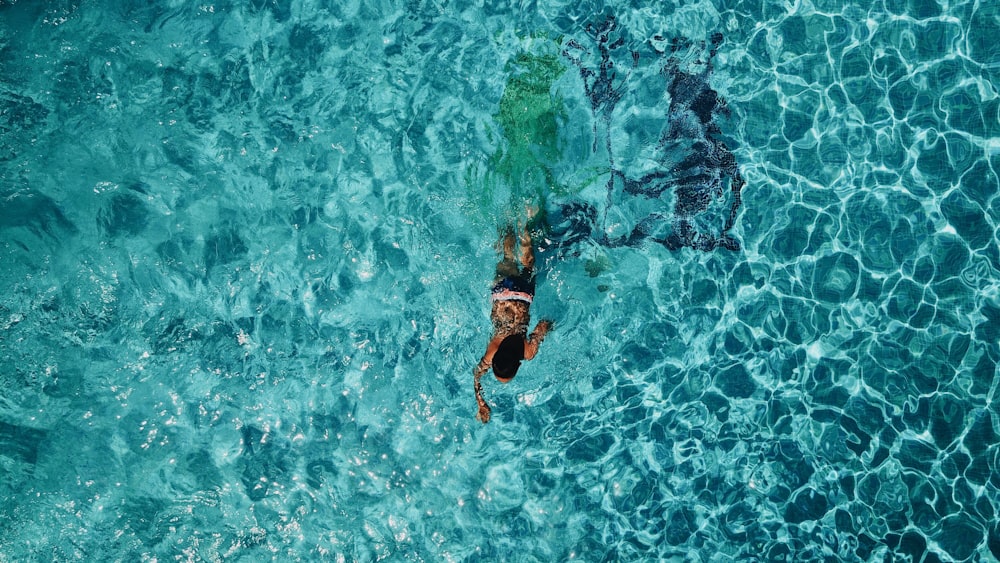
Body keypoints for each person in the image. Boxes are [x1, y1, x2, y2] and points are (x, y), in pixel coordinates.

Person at [473, 216, 552, 423]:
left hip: (522, 297)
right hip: (501, 295)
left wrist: (548, 328)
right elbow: (477, 375)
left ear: (518, 365)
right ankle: (507, 219)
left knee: (528, 265)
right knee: (507, 256)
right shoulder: (492, 351)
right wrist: (479, 401)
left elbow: (543, 323)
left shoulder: (528, 351)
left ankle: (524, 223)